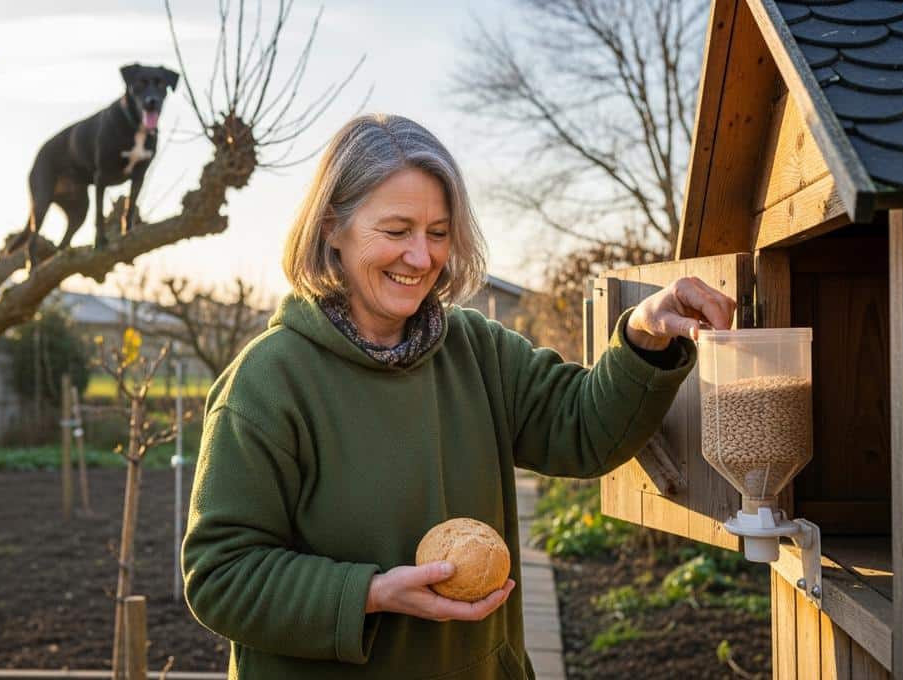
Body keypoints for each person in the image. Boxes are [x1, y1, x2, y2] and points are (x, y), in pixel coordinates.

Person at [181, 113, 736, 679]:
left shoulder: (476, 350)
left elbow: (585, 431)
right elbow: (220, 576)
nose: (421, 258)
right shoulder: (268, 382)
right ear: (331, 228)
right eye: (397, 231)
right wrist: (368, 594)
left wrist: (642, 336)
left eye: (438, 233)